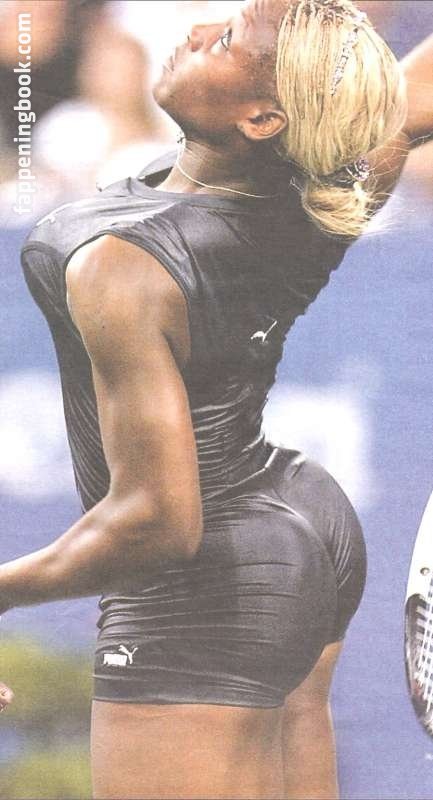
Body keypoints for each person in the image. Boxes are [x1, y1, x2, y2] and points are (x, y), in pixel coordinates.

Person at [1, 1, 432, 798]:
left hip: (202, 581)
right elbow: (418, 90)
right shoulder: (316, 186)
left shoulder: (127, 267)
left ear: (262, 117)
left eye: (226, 41)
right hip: (299, 532)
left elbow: (157, 520)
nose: (196, 32)